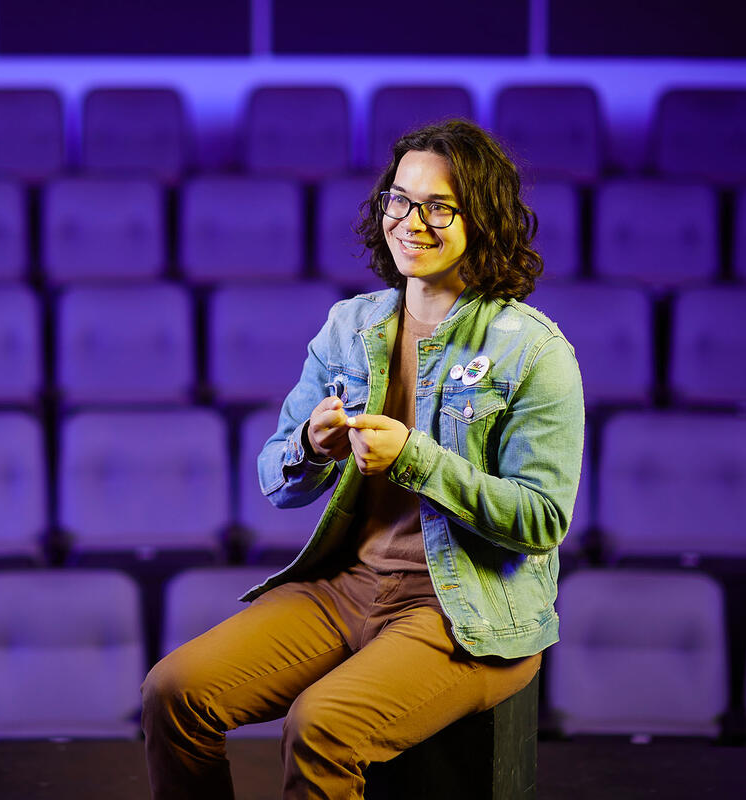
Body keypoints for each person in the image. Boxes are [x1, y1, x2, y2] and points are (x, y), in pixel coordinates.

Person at [141, 119, 584, 799]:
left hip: (467, 607)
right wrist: (311, 449)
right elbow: (275, 481)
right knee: (174, 693)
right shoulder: (352, 326)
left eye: (439, 206)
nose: (412, 221)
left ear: (485, 218)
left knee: (320, 728)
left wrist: (417, 459)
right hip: (348, 587)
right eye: (399, 201)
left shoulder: (533, 350)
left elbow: (543, 519)